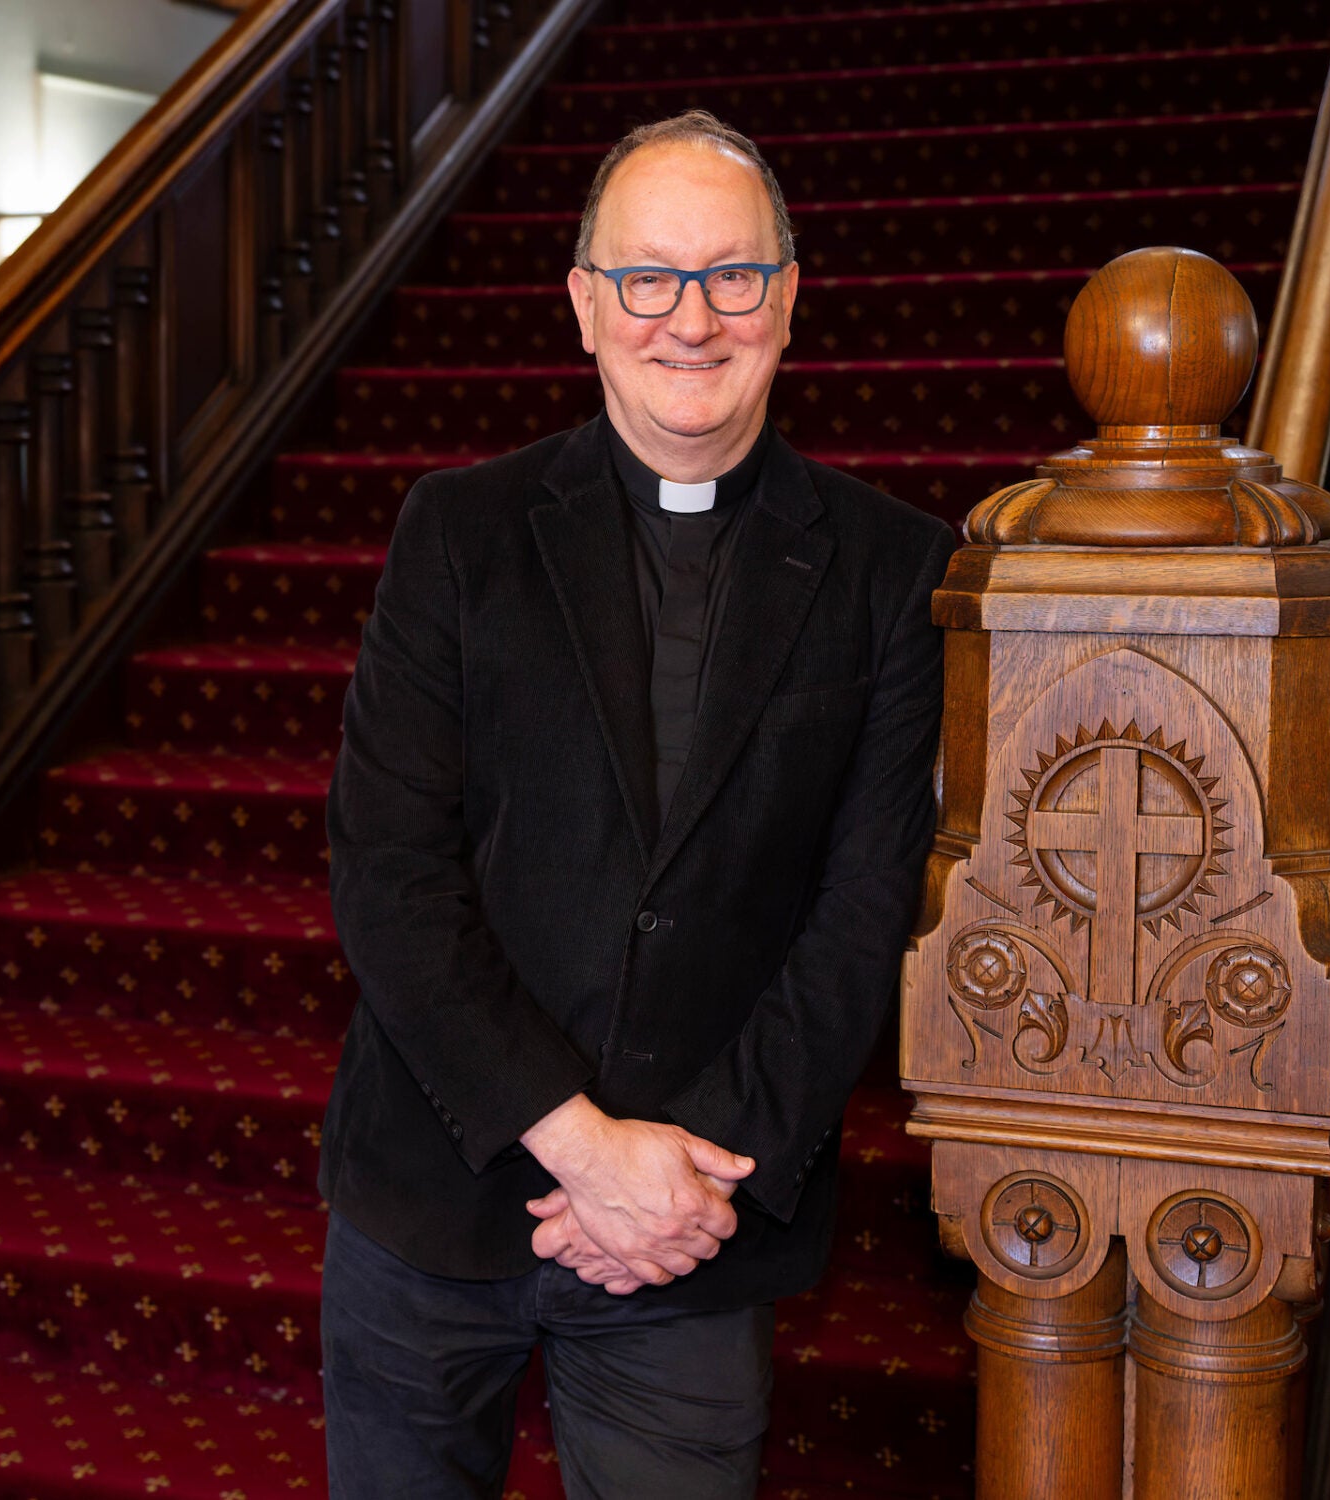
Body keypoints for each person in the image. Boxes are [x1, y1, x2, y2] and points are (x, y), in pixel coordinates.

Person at [318, 110, 955, 1498]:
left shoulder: (894, 569)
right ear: (586, 307)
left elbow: (863, 913)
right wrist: (578, 1144)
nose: (691, 319)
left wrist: (684, 1183)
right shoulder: (460, 532)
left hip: (693, 1220)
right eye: (648, 278)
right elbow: (388, 870)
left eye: (731, 275)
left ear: (788, 298)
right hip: (431, 1191)